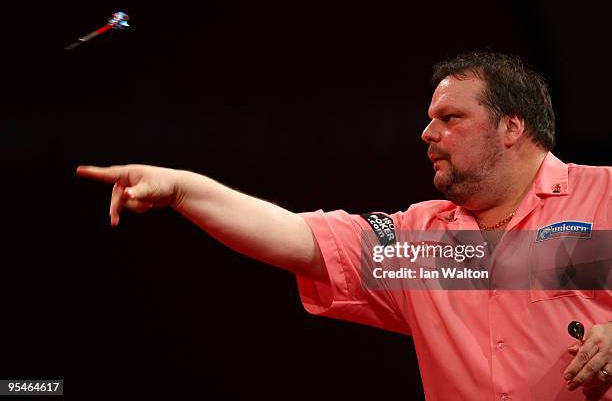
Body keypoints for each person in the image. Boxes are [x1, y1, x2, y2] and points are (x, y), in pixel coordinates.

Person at [77, 51, 612, 400]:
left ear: (512, 127)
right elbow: (296, 238)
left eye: (450, 119)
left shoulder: (603, 196)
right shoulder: (426, 246)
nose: (428, 133)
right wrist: (184, 189)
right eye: (430, 118)